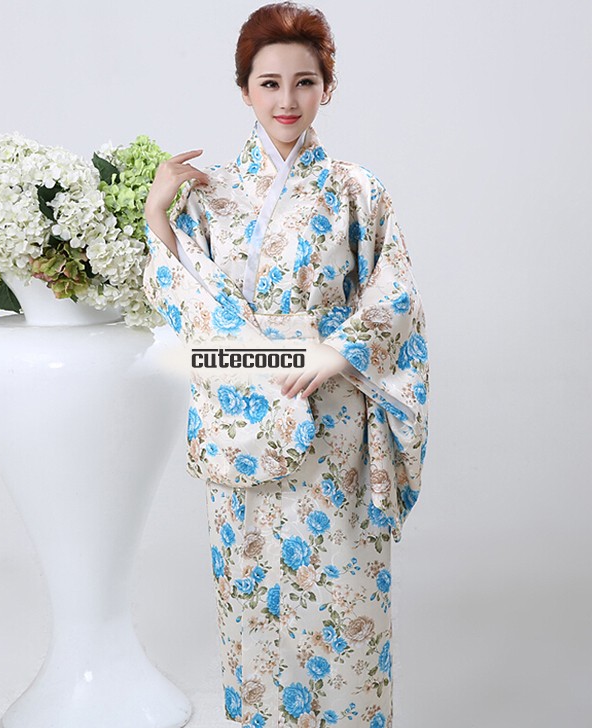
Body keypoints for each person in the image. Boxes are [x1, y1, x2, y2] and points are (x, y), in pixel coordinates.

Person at [143, 3, 430, 725]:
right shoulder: (210, 195)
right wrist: (157, 216)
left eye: (304, 82)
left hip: (331, 417)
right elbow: (183, 295)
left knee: (344, 591)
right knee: (253, 595)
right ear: (244, 90)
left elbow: (396, 292)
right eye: (269, 83)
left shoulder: (356, 189)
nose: (287, 100)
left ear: (326, 87)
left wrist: (337, 352)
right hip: (243, 416)